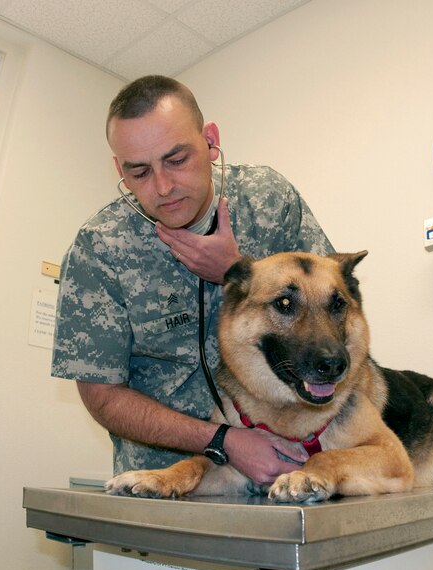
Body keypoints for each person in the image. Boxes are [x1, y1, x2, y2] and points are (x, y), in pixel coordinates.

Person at [51, 75, 334, 485]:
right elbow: (101, 394)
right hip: (163, 480)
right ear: (119, 168)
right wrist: (222, 440)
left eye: (177, 159)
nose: (163, 187)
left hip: (294, 463)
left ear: (211, 141)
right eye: (139, 172)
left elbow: (332, 308)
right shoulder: (101, 249)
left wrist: (236, 273)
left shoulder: (267, 198)